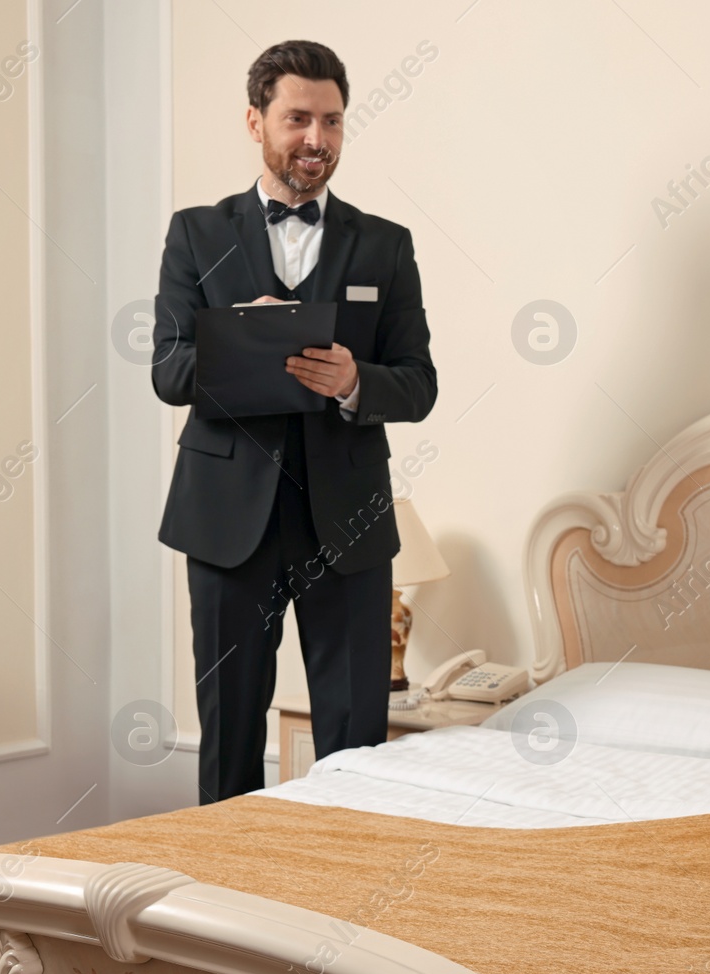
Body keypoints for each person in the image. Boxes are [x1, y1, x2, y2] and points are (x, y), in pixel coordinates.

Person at [152, 40, 437, 803]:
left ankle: (345, 903)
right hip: (224, 521)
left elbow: (418, 385)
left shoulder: (386, 245)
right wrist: (242, 337)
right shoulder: (195, 235)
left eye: (334, 121)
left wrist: (354, 381)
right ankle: (216, 908)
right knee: (231, 735)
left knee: (358, 745)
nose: (318, 139)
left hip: (347, 522)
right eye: (299, 119)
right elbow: (168, 371)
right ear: (256, 121)